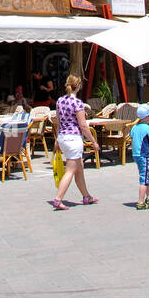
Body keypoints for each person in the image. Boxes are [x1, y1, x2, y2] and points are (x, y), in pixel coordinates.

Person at [50, 74, 99, 210]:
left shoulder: (60, 101)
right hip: (73, 139)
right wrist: (94, 142)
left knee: (79, 169)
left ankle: (86, 196)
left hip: (63, 138)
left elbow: (58, 122)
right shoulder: (78, 103)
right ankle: (58, 199)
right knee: (71, 170)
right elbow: (83, 126)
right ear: (79, 86)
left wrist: (57, 140)